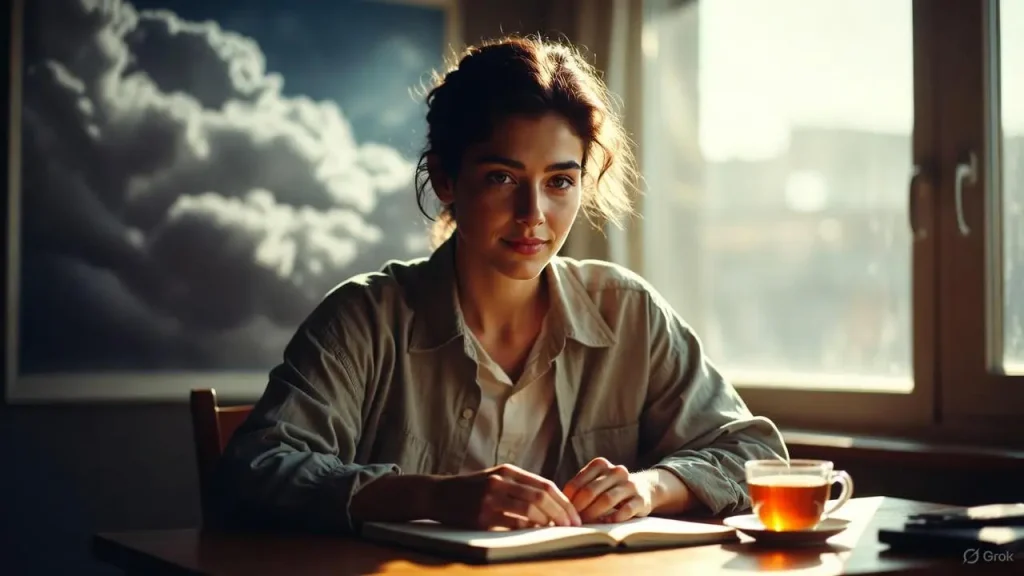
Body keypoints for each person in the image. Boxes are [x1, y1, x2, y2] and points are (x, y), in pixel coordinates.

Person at [211, 35, 788, 535]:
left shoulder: (629, 312)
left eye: (559, 181)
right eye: (502, 177)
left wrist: (651, 487)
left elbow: (756, 453)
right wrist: (433, 497)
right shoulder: (365, 317)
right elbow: (252, 469)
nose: (533, 214)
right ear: (446, 179)